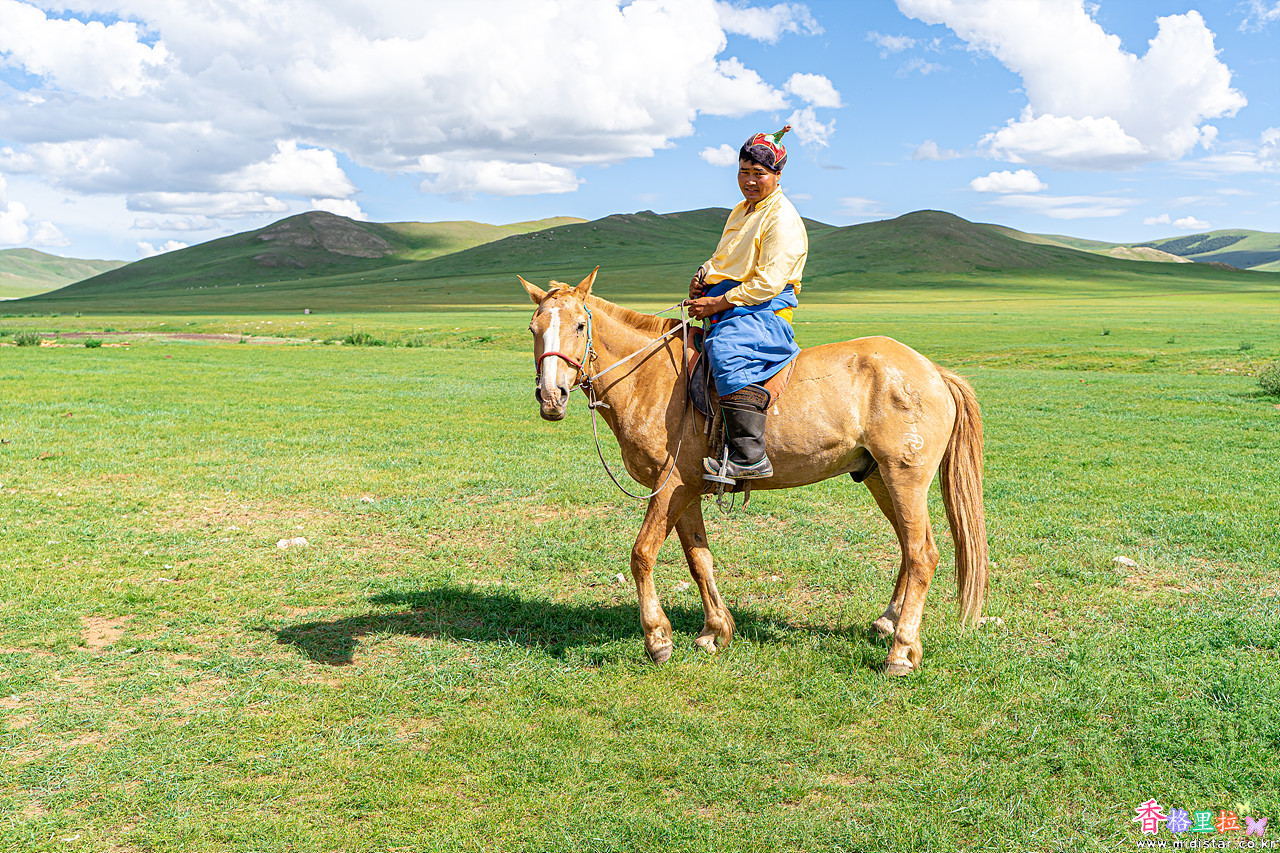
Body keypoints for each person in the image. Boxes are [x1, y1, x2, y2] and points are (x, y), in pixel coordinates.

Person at [685, 125, 808, 481]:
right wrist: (704, 274)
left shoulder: (782, 218)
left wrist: (718, 303)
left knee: (726, 351)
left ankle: (750, 454)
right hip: (733, 302)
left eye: (759, 173)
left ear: (777, 175)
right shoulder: (741, 210)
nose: (750, 181)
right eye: (743, 171)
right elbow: (725, 257)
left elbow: (767, 284)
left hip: (764, 310)